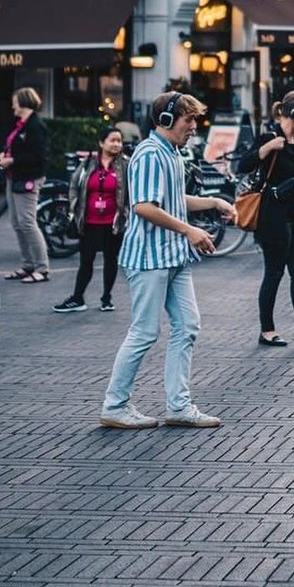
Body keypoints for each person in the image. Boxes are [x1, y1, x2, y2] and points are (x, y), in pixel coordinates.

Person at [100, 92, 237, 429]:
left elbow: (172, 198)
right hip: (150, 258)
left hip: (172, 256)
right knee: (144, 332)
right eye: (188, 120)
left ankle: (178, 406)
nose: (194, 127)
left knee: (187, 326)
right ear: (165, 120)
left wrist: (214, 202)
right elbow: (144, 206)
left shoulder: (171, 152)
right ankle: (115, 406)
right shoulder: (149, 153)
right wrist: (189, 230)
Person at [236, 91, 294, 348]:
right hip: (272, 216)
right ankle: (267, 330)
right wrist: (266, 149)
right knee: (274, 272)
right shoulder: (269, 137)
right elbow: (243, 165)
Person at [55, 126, 129, 314]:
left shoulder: (125, 165)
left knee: (111, 259)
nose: (116, 144)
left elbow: (131, 190)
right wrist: (74, 205)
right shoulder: (88, 163)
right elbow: (74, 184)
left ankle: (107, 299)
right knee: (86, 261)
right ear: (101, 143)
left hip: (113, 223)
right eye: (112, 140)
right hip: (89, 222)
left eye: (119, 141)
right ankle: (77, 298)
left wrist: (126, 211)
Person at [0, 87, 51, 283]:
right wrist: (4, 155)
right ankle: (28, 264)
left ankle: (42, 268)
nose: (12, 105)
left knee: (27, 222)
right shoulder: (21, 125)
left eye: (15, 101)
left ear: (23, 101)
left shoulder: (35, 126)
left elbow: (39, 156)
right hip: (15, 176)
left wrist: (12, 160)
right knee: (17, 223)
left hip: (27, 177)